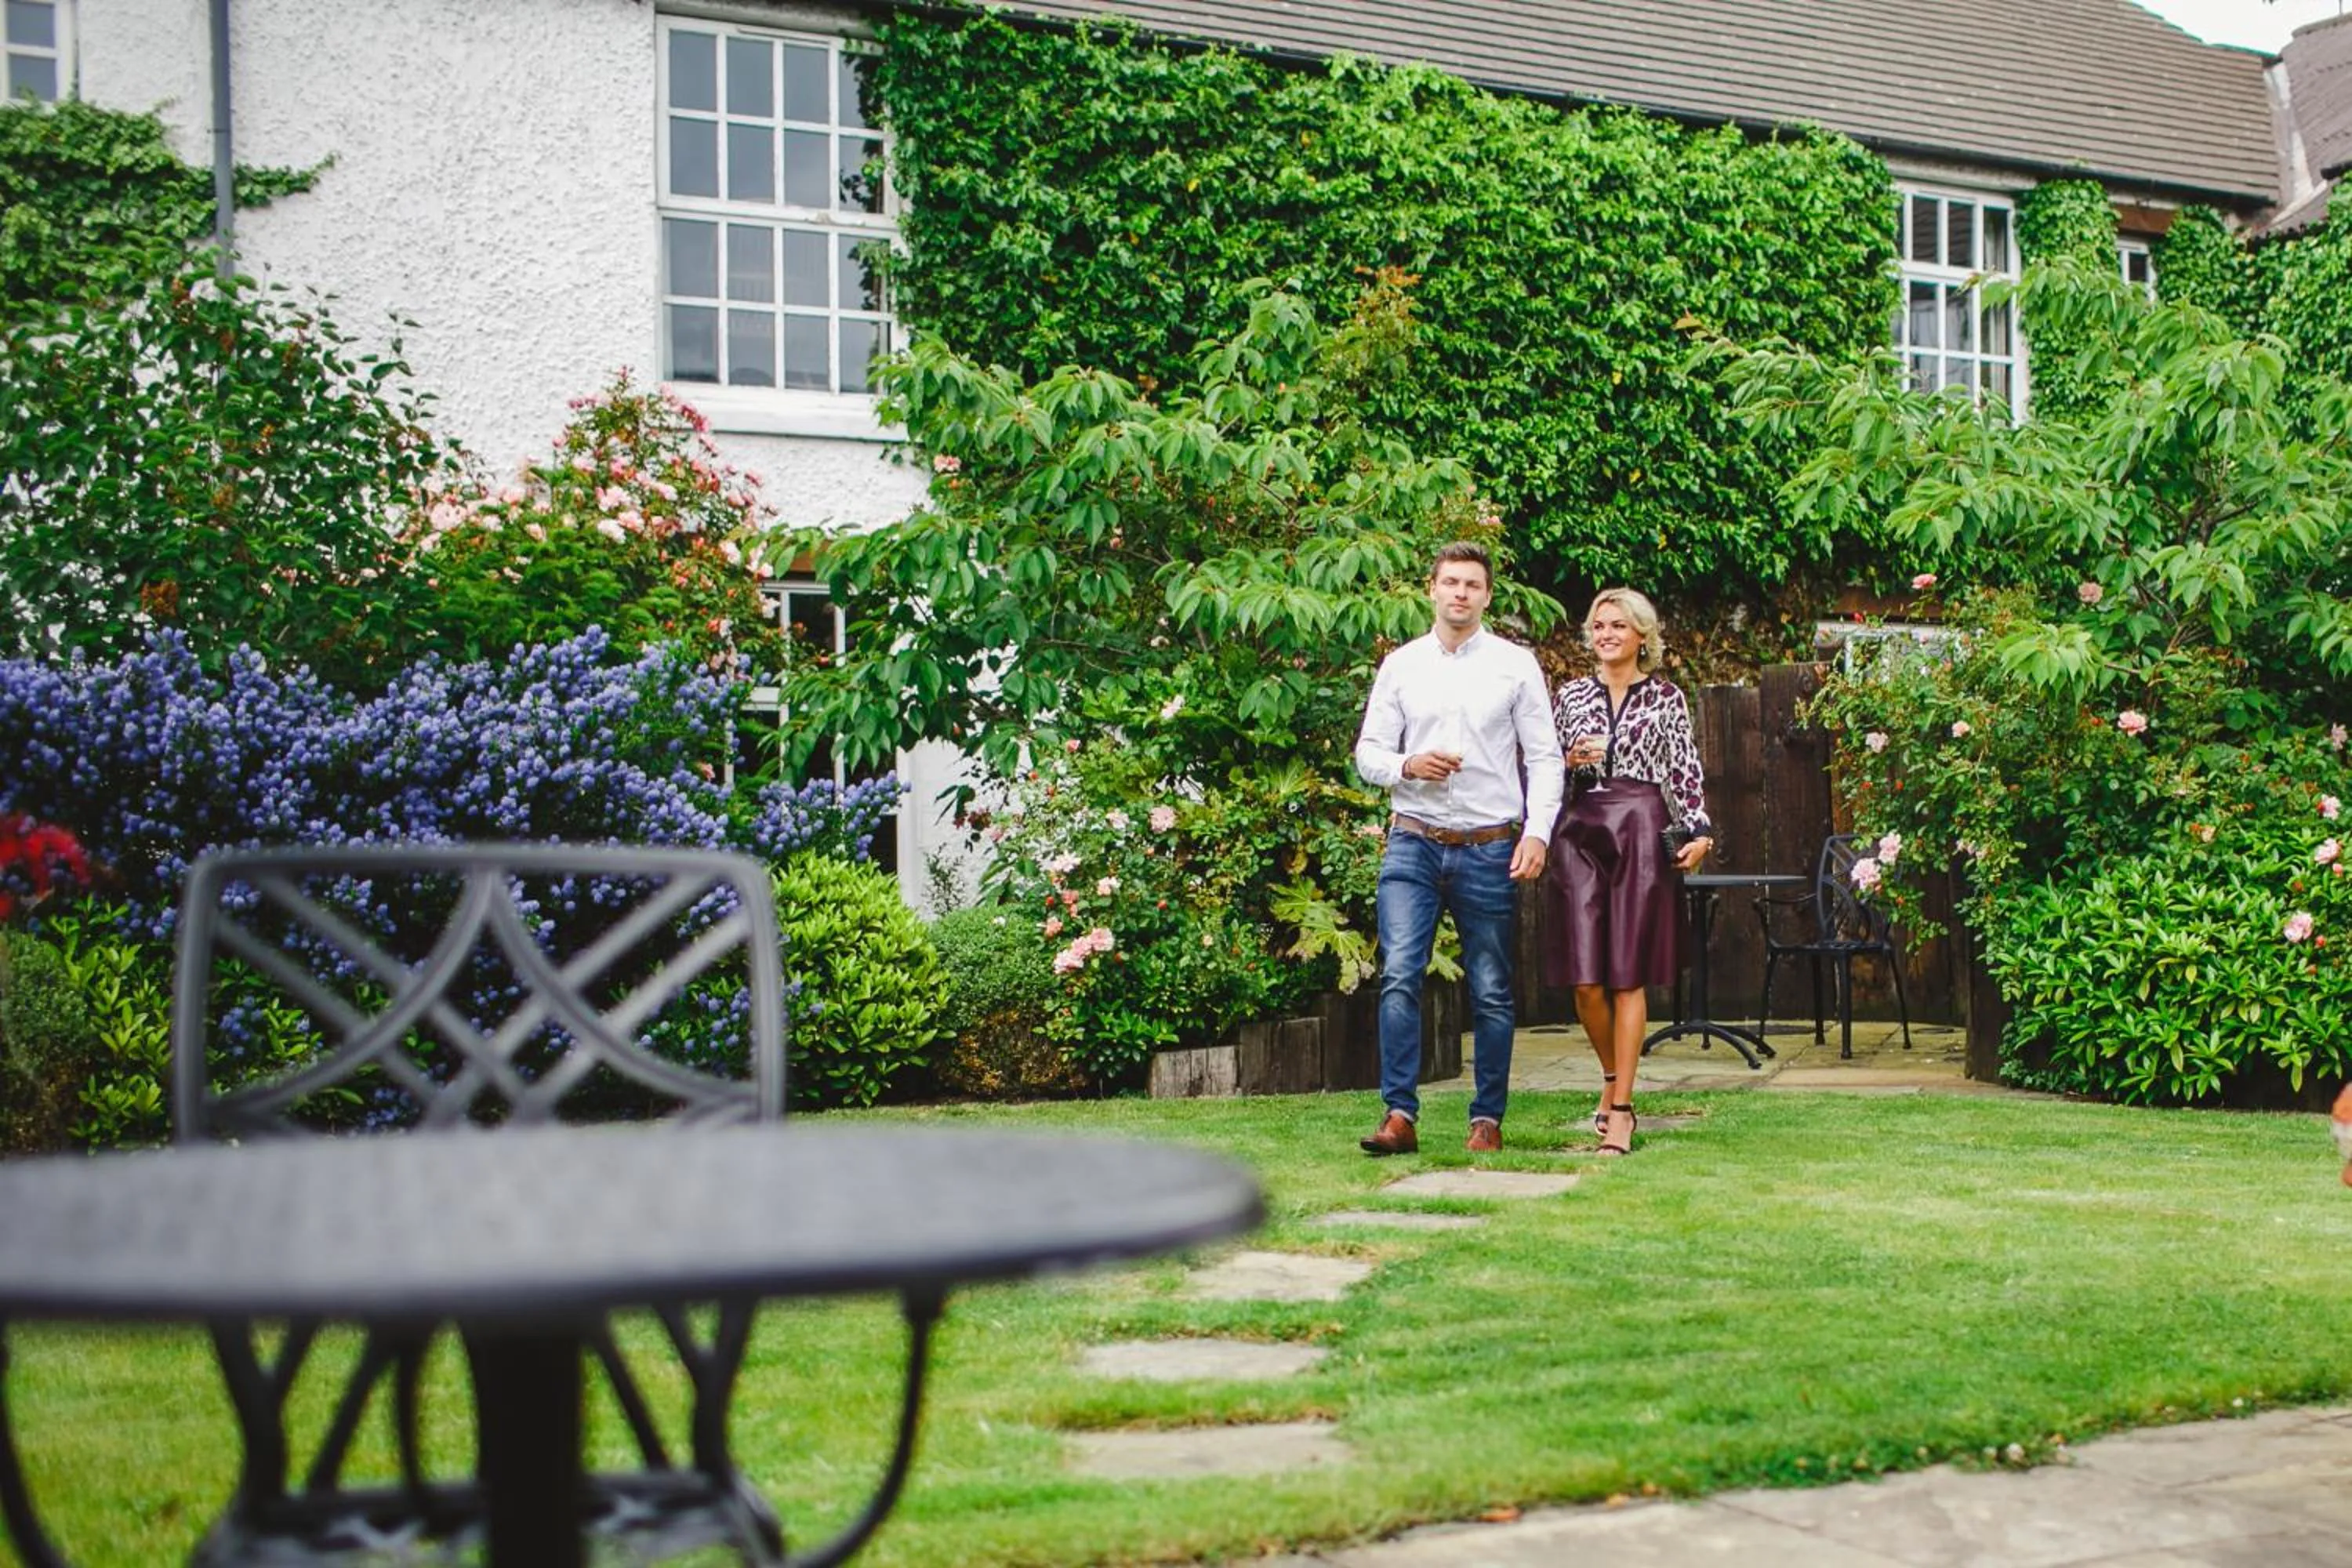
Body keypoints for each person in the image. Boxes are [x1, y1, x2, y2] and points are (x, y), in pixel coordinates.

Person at [1352, 542, 1564, 1156]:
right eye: (1451, 582)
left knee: (1492, 989)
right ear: (1433, 589)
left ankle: (1487, 1121)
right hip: (1413, 842)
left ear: (1487, 596)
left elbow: (1545, 758)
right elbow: (1369, 754)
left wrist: (1537, 831)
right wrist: (1407, 765)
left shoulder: (1515, 665)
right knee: (1399, 974)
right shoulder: (1402, 665)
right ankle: (1399, 1116)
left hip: (1489, 845)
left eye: (1473, 584)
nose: (1461, 593)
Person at [1545, 587, 1715, 1156]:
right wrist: (1567, 763)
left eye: (1619, 625)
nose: (1607, 634)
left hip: (1641, 827)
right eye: (1599, 625)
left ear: (1642, 635)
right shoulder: (1570, 696)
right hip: (1581, 828)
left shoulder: (1666, 697)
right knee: (1585, 980)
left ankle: (1621, 1110)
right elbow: (1544, 766)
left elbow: (1684, 770)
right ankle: (1613, 1075)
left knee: (1627, 975)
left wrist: (1699, 832)